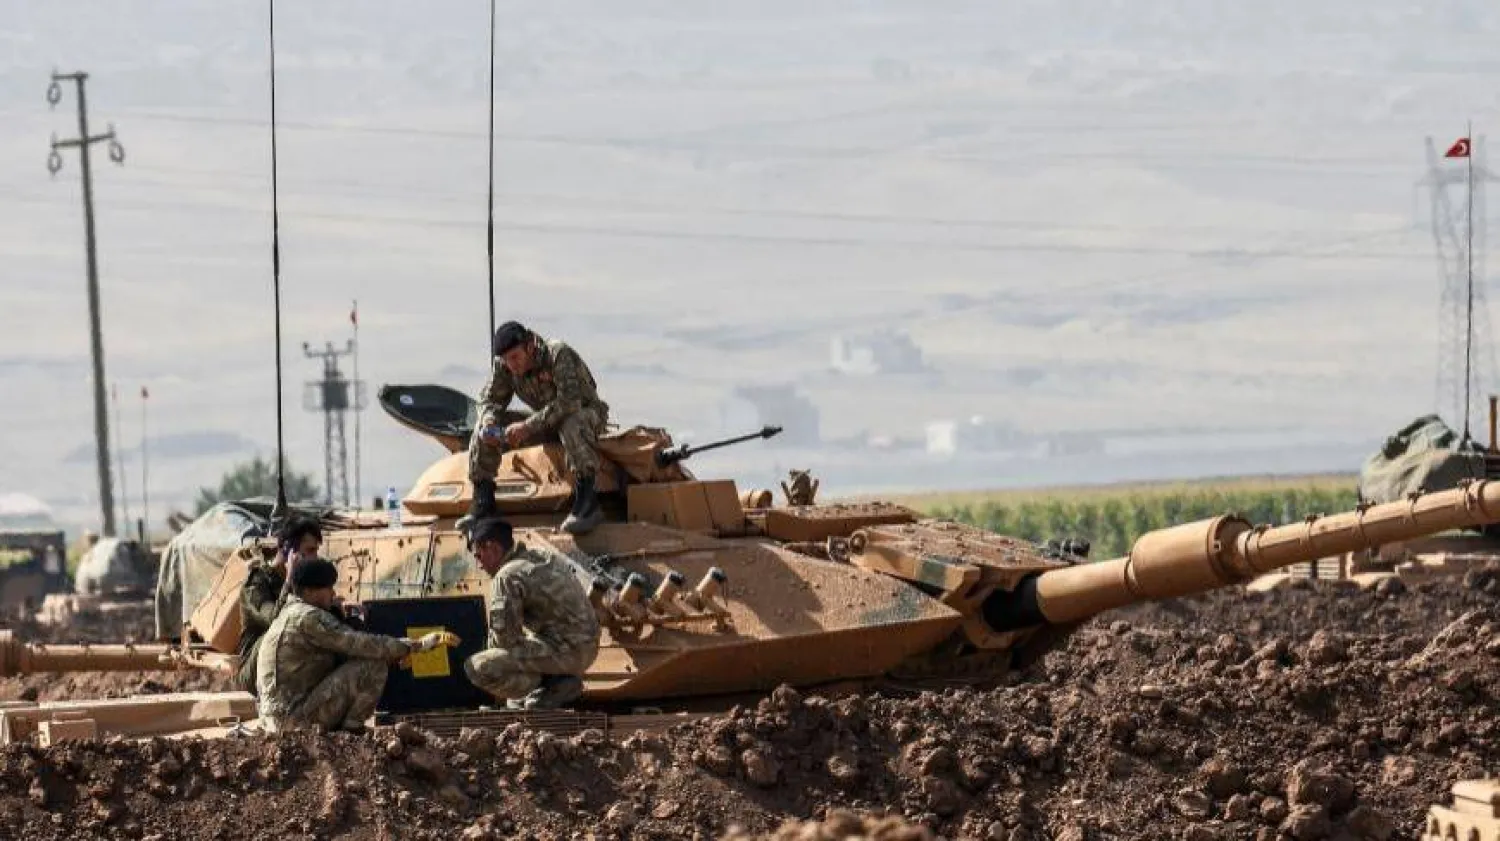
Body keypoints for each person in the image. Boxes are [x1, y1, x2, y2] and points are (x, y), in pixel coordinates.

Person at [255, 558, 447, 733]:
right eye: (328, 587)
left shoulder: (289, 613)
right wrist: (414, 645)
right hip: (294, 722)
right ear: (308, 592)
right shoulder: (308, 616)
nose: (333, 593)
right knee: (373, 665)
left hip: (278, 718)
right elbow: (359, 644)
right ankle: (352, 731)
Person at [464, 320, 610, 535]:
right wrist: (489, 421)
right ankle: (483, 501)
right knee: (482, 430)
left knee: (571, 424)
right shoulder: (505, 366)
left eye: (515, 357)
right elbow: (488, 400)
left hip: (587, 414)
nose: (511, 365)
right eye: (506, 359)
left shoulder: (557, 354)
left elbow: (570, 402)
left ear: (530, 346)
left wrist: (528, 427)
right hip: (545, 420)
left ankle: (587, 502)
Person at [462, 517, 599, 710]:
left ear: (493, 548)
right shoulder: (541, 555)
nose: (479, 564)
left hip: (567, 652)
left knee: (477, 666)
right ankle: (551, 684)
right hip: (586, 647)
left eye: (478, 556)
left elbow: (504, 641)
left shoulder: (507, 575)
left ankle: (551, 685)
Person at [234, 516, 322, 694]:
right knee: (286, 629)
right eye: (310, 550)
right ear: (289, 550)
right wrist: (290, 579)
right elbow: (276, 620)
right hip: (253, 673)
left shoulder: (303, 582)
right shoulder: (256, 584)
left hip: (284, 670)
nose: (315, 558)